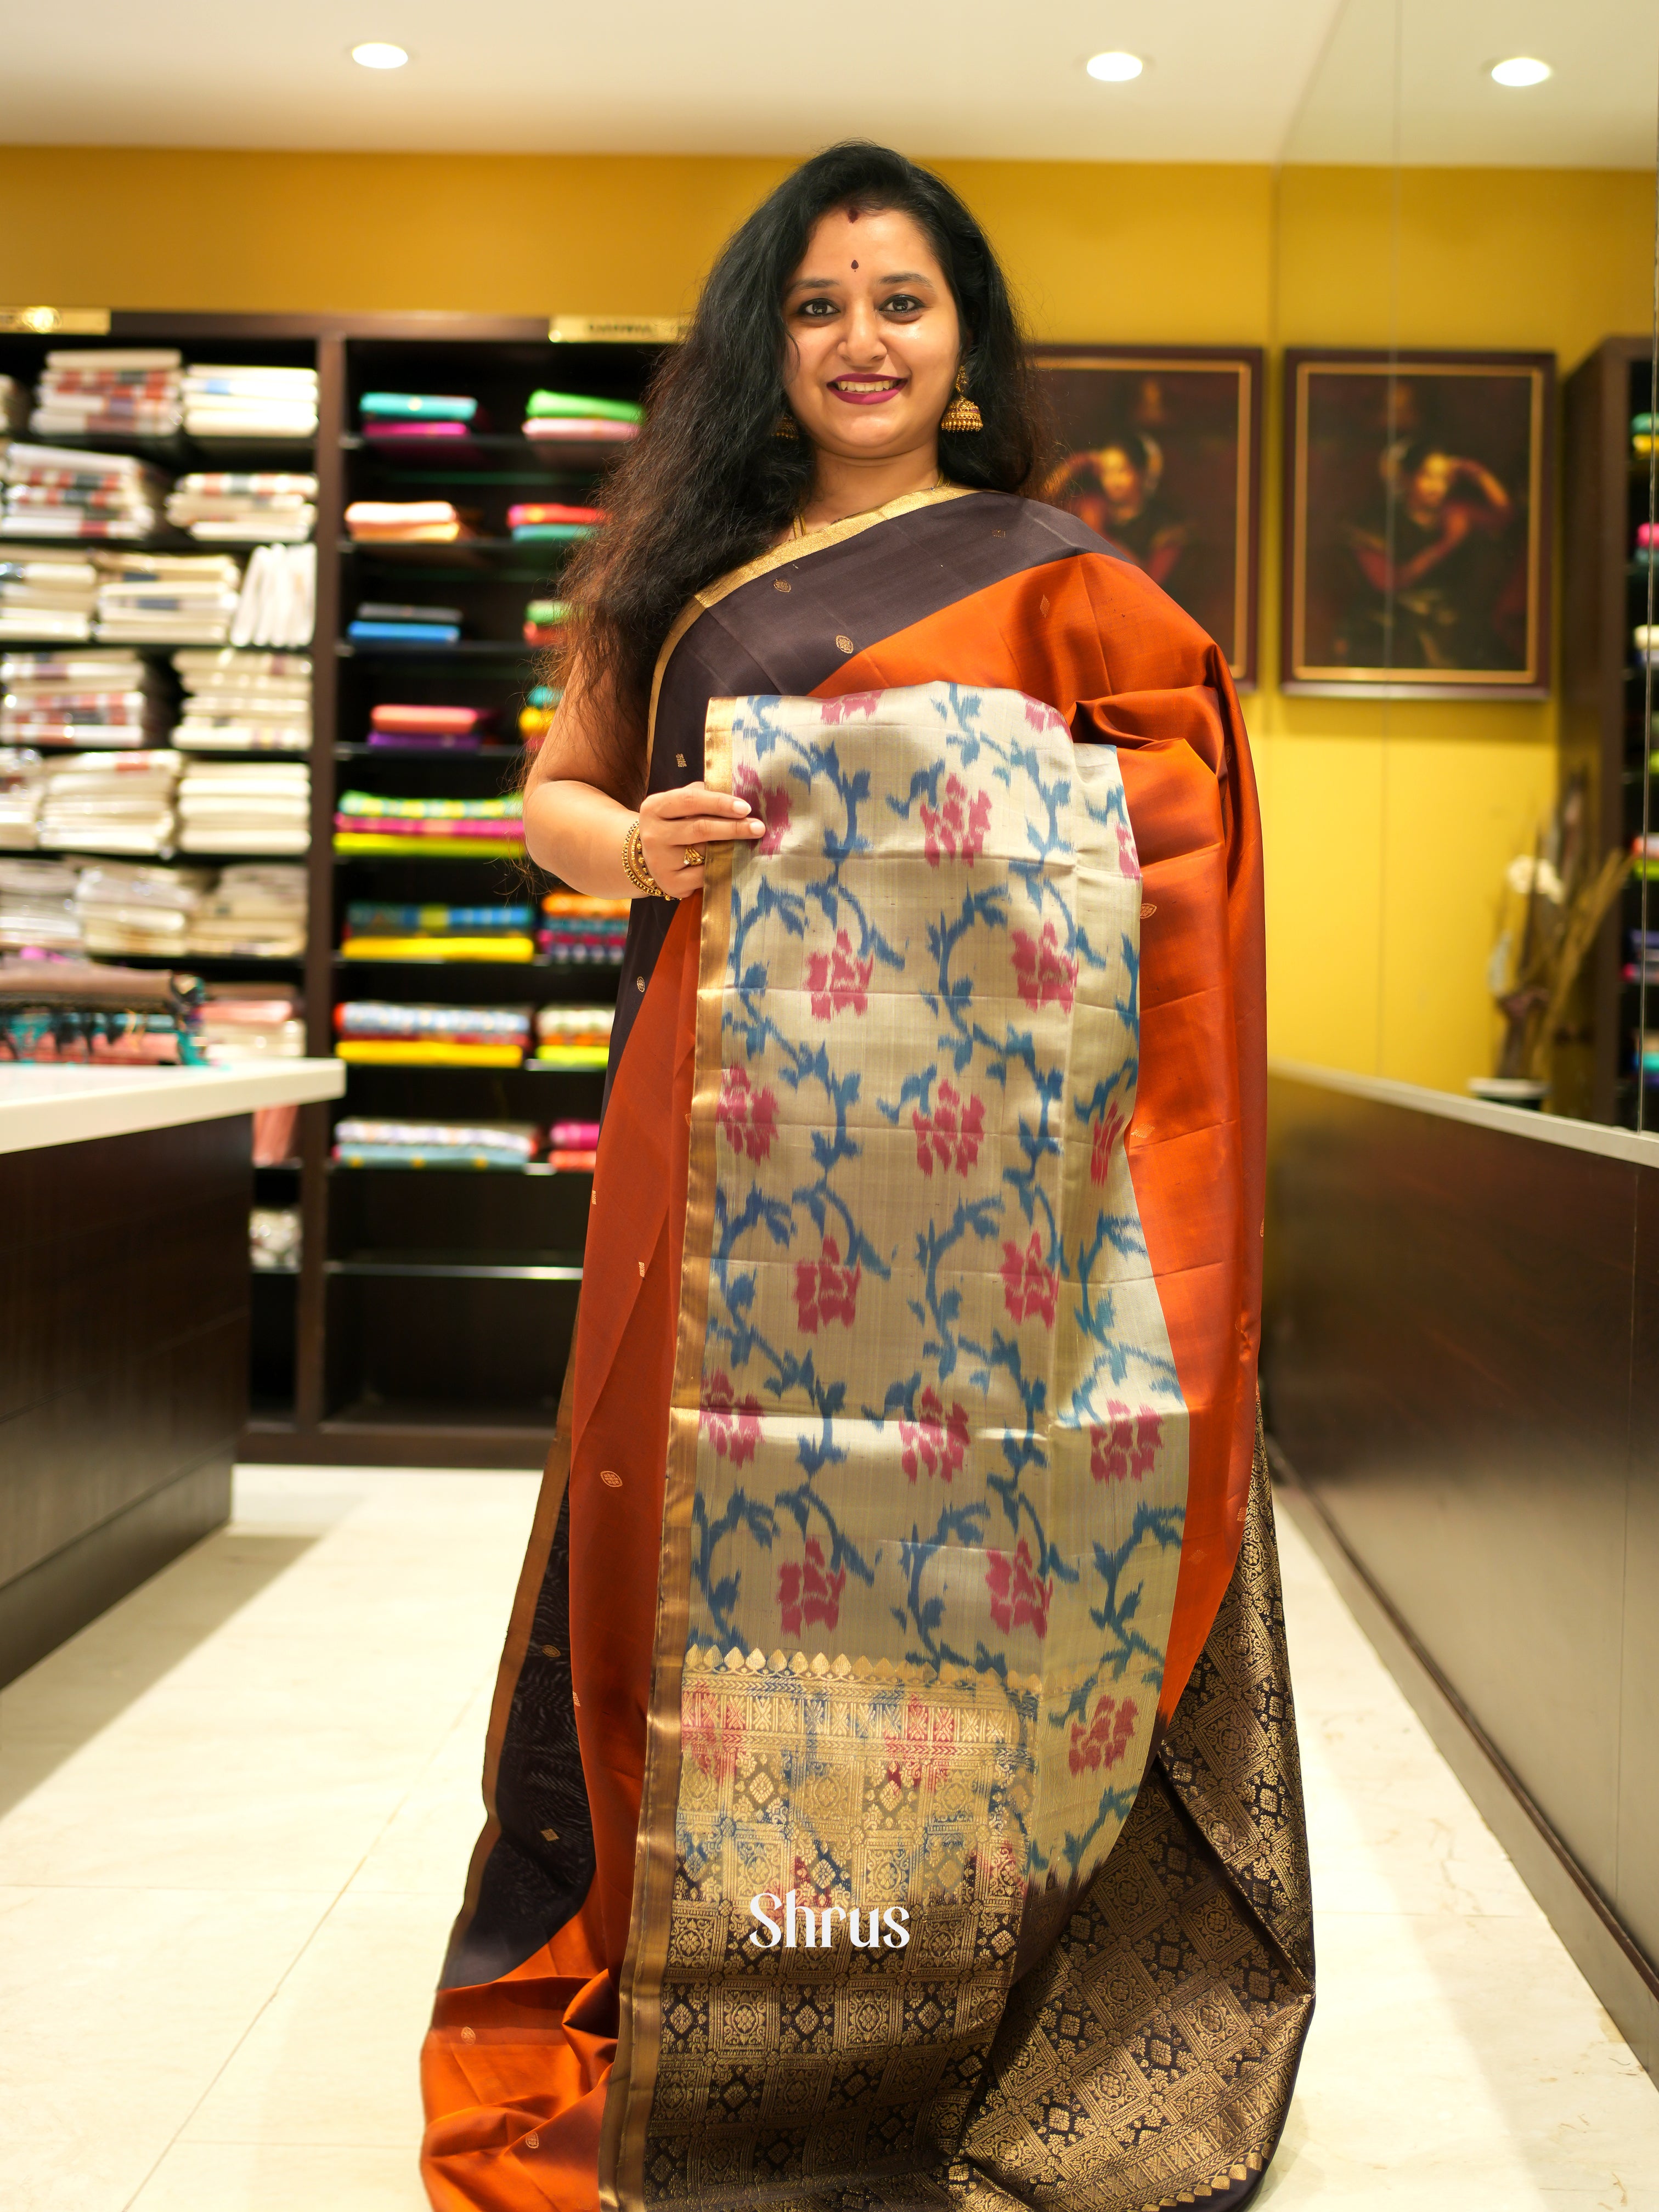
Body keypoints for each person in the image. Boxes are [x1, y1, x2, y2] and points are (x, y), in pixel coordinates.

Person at [421, 142, 1310, 2212]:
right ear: (765, 342)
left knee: (952, 1555)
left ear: (961, 340)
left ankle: (948, 1979)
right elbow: (547, 793)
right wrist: (635, 843)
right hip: (711, 1126)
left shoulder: (1051, 576)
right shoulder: (679, 573)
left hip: (979, 1191)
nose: (856, 340)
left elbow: (1173, 822)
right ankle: (702, 1962)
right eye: (816, 304)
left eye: (897, 300)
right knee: (674, 1533)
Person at [1338, 436, 1519, 669]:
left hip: (1451, 622)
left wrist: (1478, 474)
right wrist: (1448, 543)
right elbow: (1391, 581)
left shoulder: (1453, 512)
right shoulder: (1378, 521)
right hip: (1395, 624)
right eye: (1428, 476)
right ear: (1406, 477)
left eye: (1444, 479)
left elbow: (1504, 515)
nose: (1437, 487)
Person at [1043, 427, 1190, 587]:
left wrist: (1096, 532)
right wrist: (1076, 463)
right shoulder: (1094, 506)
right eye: (1106, 472)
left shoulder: (1166, 528)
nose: (1112, 481)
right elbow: (1044, 504)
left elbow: (1148, 585)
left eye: (1121, 471)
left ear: (1141, 473)